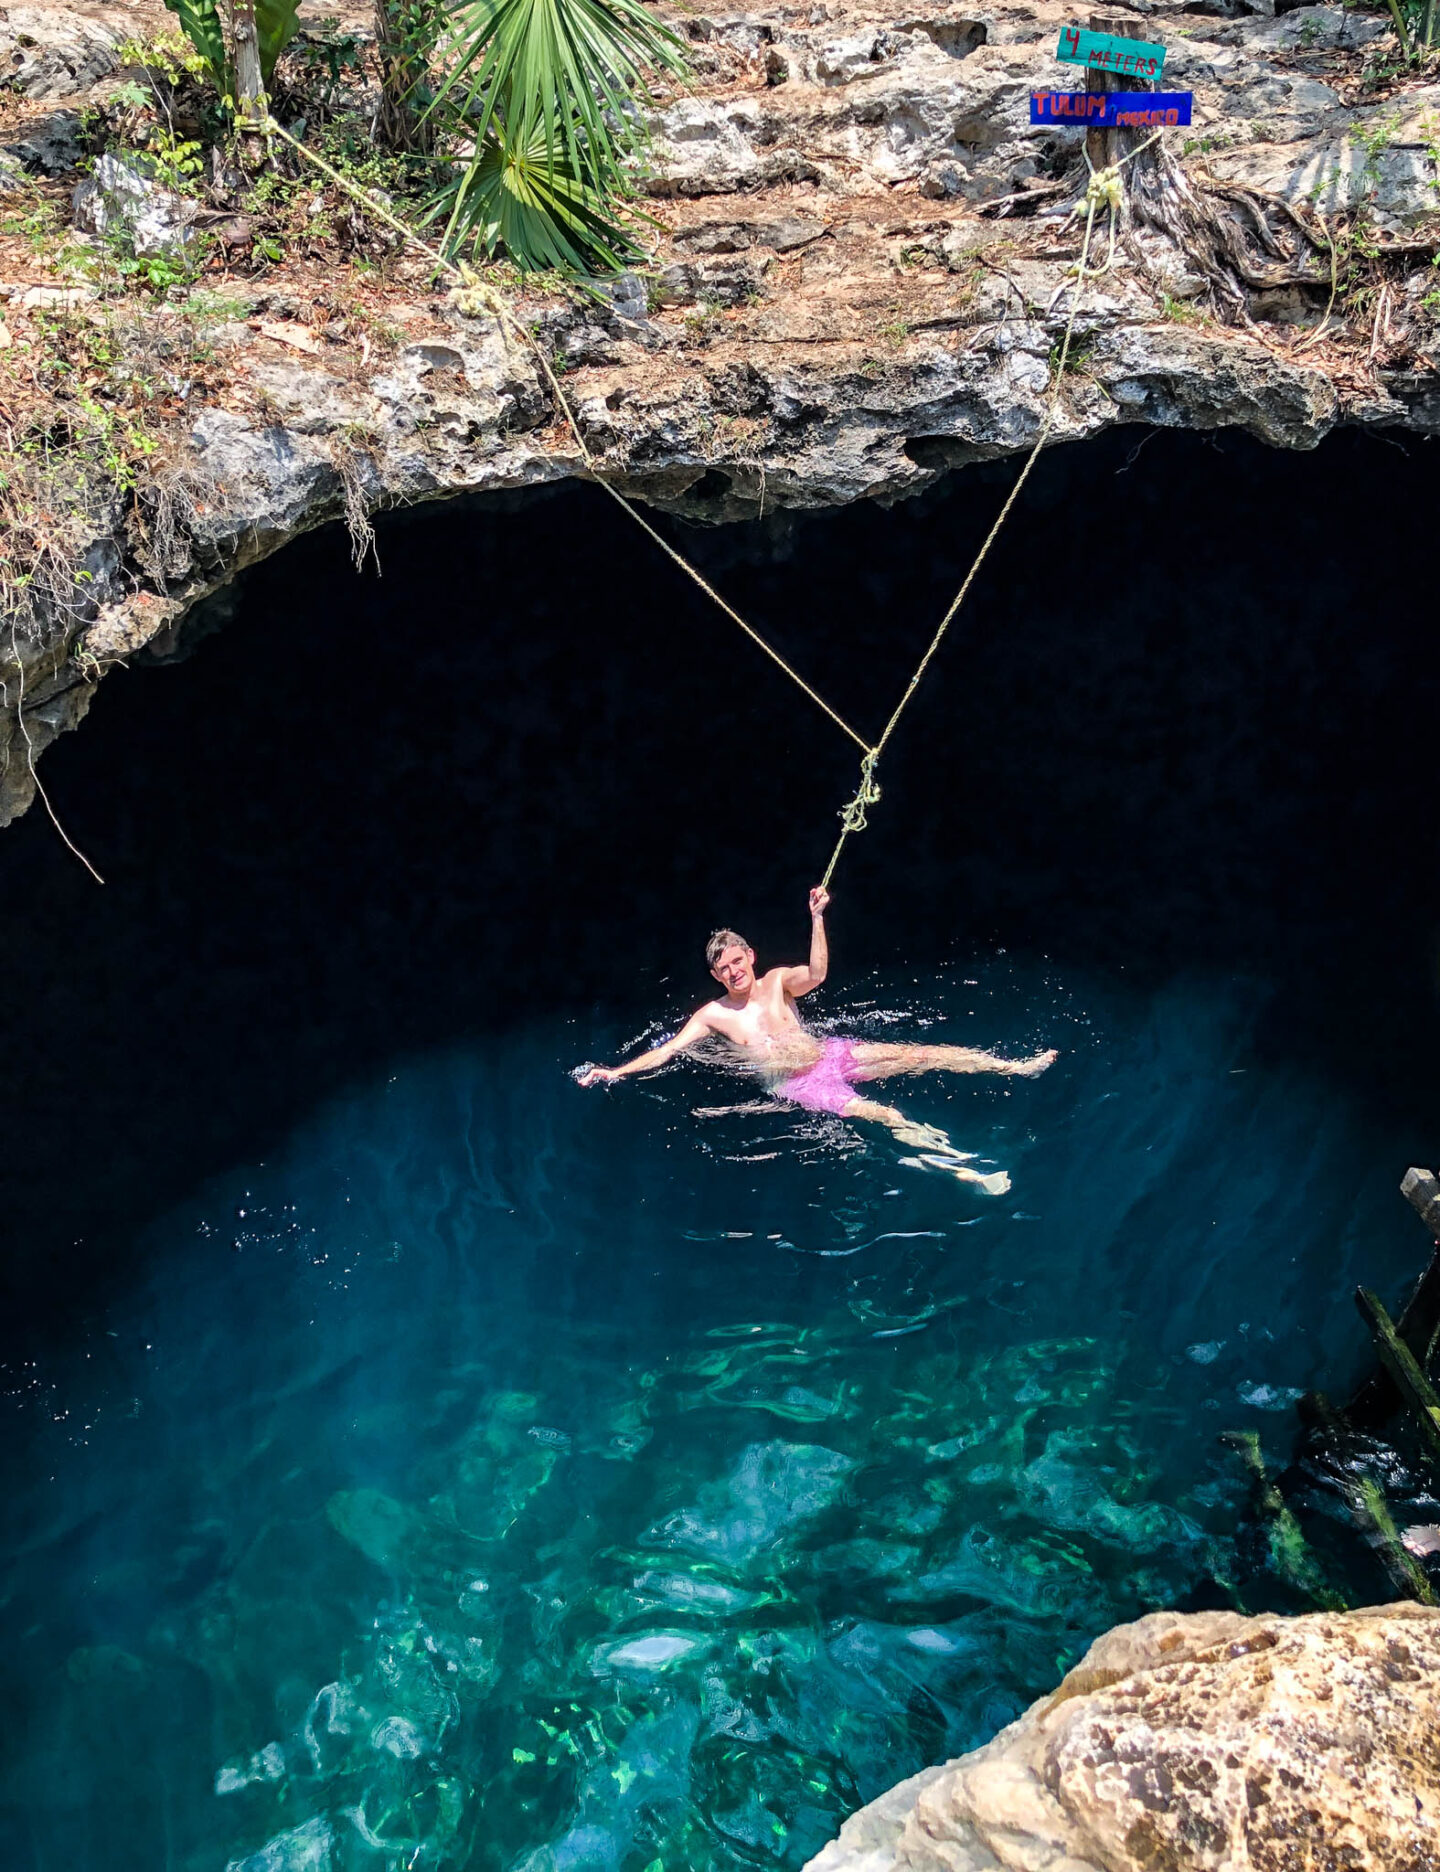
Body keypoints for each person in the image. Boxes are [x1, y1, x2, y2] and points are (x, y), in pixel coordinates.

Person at [576, 887, 1057, 1193]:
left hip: (830, 1054)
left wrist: (817, 918)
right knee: (887, 1116)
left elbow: (819, 973)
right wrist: (613, 1071)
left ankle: (1015, 1067)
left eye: (737, 960)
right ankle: (966, 1171)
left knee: (923, 1054)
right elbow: (666, 1050)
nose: (733, 970)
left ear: (750, 955)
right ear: (715, 974)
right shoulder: (713, 1015)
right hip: (803, 1087)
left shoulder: (778, 980)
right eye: (722, 968)